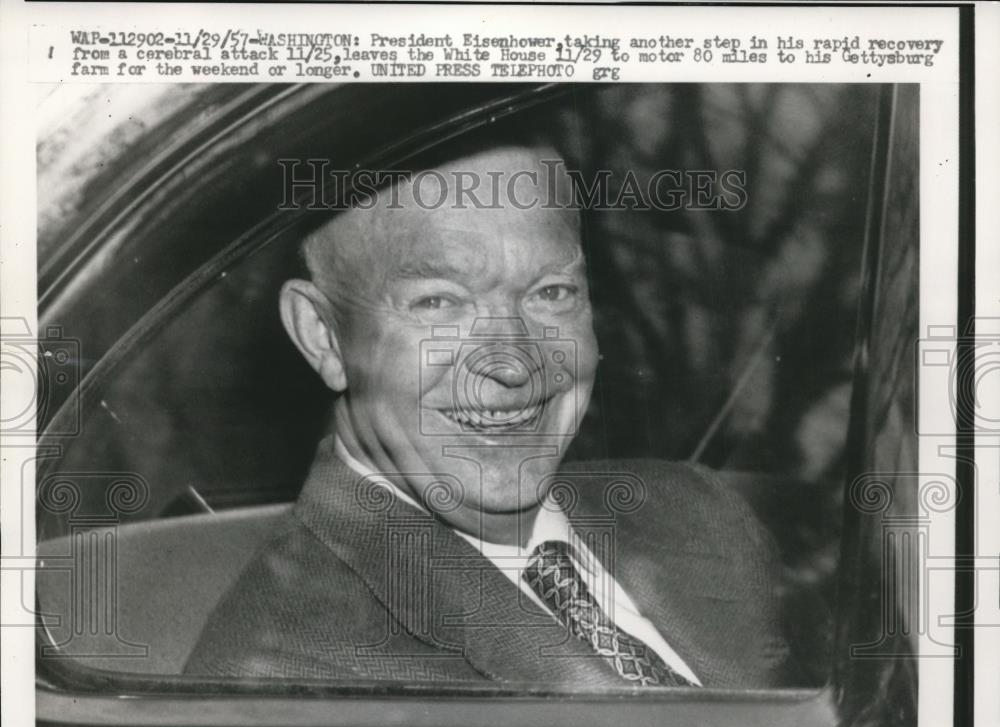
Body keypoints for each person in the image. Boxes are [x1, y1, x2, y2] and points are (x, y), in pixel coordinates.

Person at [184, 142, 794, 689]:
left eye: (551, 293)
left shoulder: (698, 512)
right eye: (439, 302)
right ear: (324, 336)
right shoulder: (286, 676)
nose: (513, 364)